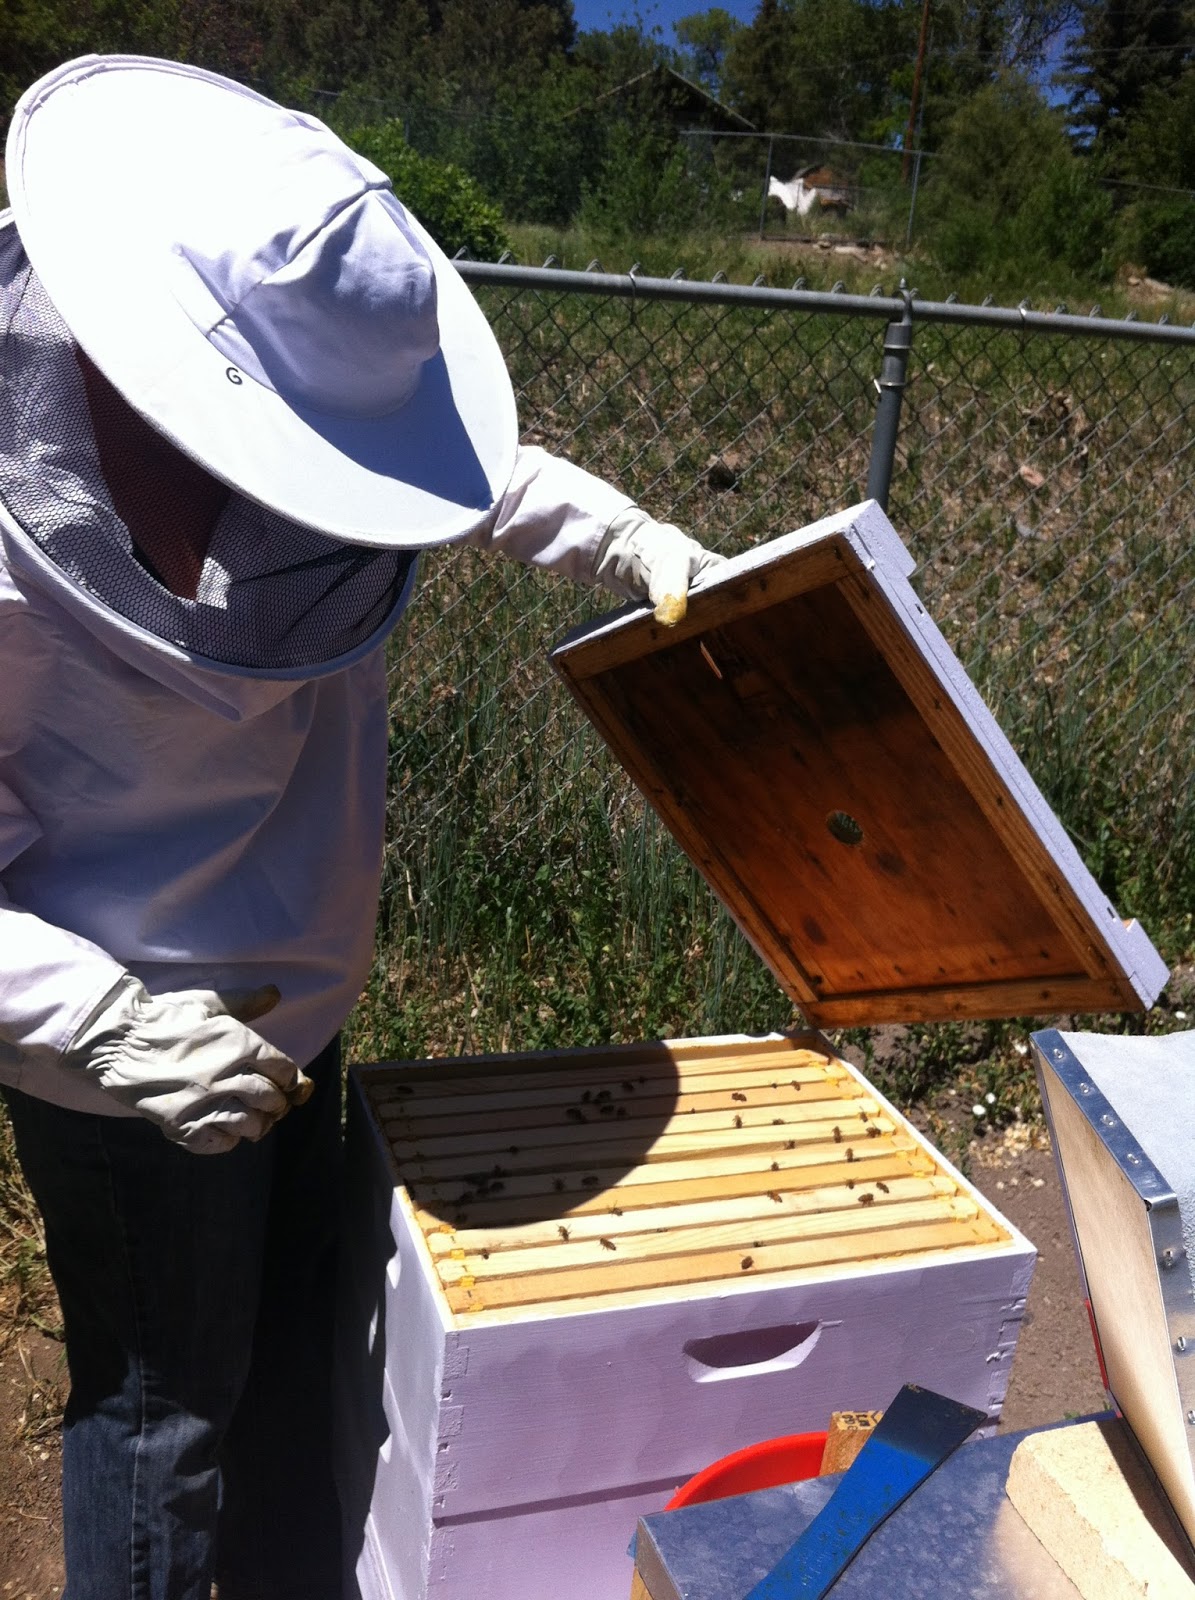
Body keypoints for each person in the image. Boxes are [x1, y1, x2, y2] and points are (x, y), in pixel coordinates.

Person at [0, 55, 724, 1600]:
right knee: (162, 1408)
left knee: (281, 1345)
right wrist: (100, 1025)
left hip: (296, 995)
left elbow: (472, 476)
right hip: (126, 1050)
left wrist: (629, 537)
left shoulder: (307, 436)